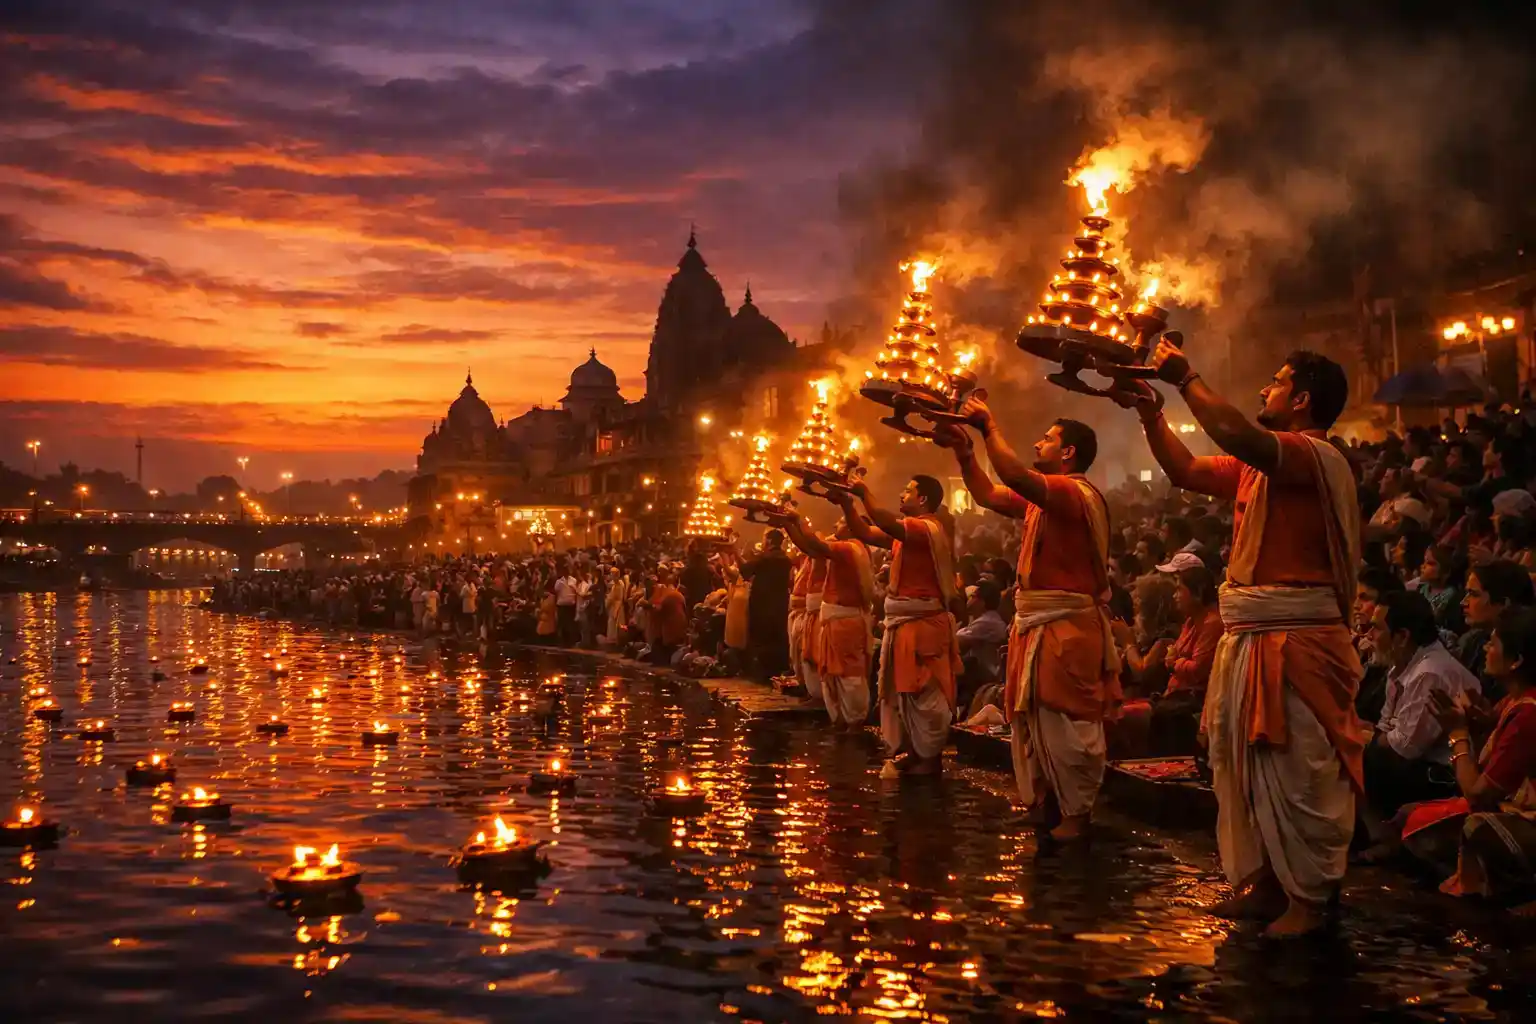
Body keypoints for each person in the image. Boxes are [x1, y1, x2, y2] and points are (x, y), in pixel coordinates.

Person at [1116, 345, 1364, 937]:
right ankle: (1268, 886)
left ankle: (1308, 901)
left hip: (1298, 640)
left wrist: (1186, 376)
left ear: (1301, 400)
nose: (1263, 392)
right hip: (1253, 633)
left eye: (1275, 383)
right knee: (1248, 768)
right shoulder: (1261, 466)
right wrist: (1153, 413)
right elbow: (1186, 471)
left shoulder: (1311, 455)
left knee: (1296, 771)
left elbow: (1237, 436)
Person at [940, 408, 1118, 834]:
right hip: (1038, 622)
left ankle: (1075, 816)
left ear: (1068, 453)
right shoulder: (1046, 498)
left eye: (1047, 438)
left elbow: (1015, 477)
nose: (1038, 443)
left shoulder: (1073, 492)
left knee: (1066, 720)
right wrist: (966, 456)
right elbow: (990, 495)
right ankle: (1046, 802)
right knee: (1035, 717)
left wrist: (989, 426)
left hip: (1066, 627)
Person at [1395, 607, 1536, 913]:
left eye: (1493, 644)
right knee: (1407, 816)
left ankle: (1486, 897)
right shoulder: (1514, 699)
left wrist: (1457, 733)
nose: (1485, 648)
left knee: (1474, 827)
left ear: (1517, 660)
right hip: (1508, 805)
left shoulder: (1528, 712)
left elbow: (1477, 793)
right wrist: (1476, 722)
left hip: (1520, 816)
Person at [846, 473, 962, 778]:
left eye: (907, 490)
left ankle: (929, 758)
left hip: (923, 624)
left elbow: (883, 521)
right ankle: (915, 752)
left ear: (922, 500)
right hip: (904, 623)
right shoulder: (906, 534)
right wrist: (847, 503)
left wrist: (863, 492)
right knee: (905, 693)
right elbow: (865, 531)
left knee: (925, 692)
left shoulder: (926, 528)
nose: (901, 494)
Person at [1362, 591, 1481, 829]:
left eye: (1376, 628)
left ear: (1402, 636)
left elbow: (1405, 747)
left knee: (1363, 758)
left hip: (1446, 776)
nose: (1369, 635)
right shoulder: (1402, 663)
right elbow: (1386, 724)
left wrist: (1368, 737)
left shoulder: (1430, 671)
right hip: (1421, 763)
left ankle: (1381, 835)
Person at [779, 498, 875, 730]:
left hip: (845, 622)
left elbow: (813, 544)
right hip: (834, 620)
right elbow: (808, 548)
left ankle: (854, 722)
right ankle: (842, 720)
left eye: (841, 522)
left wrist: (797, 520)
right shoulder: (845, 548)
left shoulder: (849, 548)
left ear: (853, 528)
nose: (836, 527)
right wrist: (789, 525)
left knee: (848, 674)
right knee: (831, 672)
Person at [1149, 562, 1222, 755]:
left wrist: (1175, 662)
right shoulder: (1191, 621)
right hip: (1175, 695)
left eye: (1180, 590)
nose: (1175, 596)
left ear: (1197, 593)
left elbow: (1198, 670)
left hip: (1194, 700)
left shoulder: (1212, 624)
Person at [1457, 559, 1534, 698]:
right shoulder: (1474, 641)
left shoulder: (1525, 658)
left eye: (1474, 594)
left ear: (1505, 603)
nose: (1463, 602)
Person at [741, 530, 793, 681]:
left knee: (761, 639)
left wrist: (731, 552)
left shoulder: (764, 558)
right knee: (778, 639)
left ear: (769, 541)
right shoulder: (786, 559)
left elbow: (745, 571)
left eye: (764, 539)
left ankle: (762, 674)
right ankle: (777, 672)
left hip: (762, 604)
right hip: (780, 604)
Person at [648, 569, 688, 665]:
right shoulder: (679, 595)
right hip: (681, 621)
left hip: (670, 624)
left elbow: (659, 610)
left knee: (669, 644)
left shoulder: (666, 595)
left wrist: (651, 607)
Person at [554, 567, 578, 646]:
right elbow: (556, 590)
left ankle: (571, 641)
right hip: (562, 604)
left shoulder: (573, 580)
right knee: (562, 623)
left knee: (570, 623)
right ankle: (563, 641)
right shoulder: (559, 581)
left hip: (571, 604)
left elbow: (576, 590)